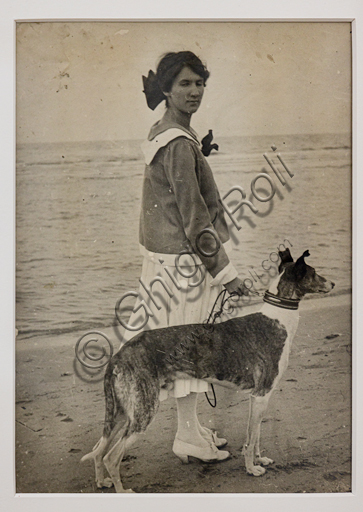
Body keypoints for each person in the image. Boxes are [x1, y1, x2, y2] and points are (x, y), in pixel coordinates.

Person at [122, 51, 246, 463]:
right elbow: (195, 220)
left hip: (166, 259)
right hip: (183, 264)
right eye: (184, 85)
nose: (194, 92)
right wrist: (226, 274)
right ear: (166, 90)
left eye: (199, 84)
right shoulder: (177, 143)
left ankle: (191, 428)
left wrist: (198, 154)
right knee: (189, 352)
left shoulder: (168, 131)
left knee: (185, 349)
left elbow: (172, 186)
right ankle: (187, 437)